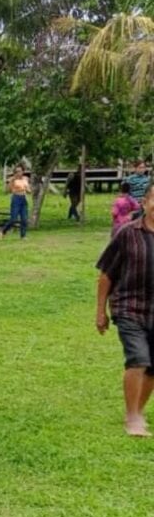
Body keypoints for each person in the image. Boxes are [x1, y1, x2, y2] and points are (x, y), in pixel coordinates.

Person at [96, 186, 154, 437]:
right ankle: (132, 417)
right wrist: (100, 311)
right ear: (146, 202)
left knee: (152, 367)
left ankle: (138, 412)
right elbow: (107, 274)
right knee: (139, 359)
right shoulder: (127, 233)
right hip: (129, 306)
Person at [0, 165, 30, 239]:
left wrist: (28, 190)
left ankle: (23, 236)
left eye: (20, 171)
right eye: (16, 171)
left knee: (24, 219)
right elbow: (7, 191)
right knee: (13, 219)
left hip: (23, 198)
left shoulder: (25, 179)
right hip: (16, 198)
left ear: (23, 171)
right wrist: (10, 182)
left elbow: (28, 189)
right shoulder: (13, 179)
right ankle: (3, 231)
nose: (18, 173)